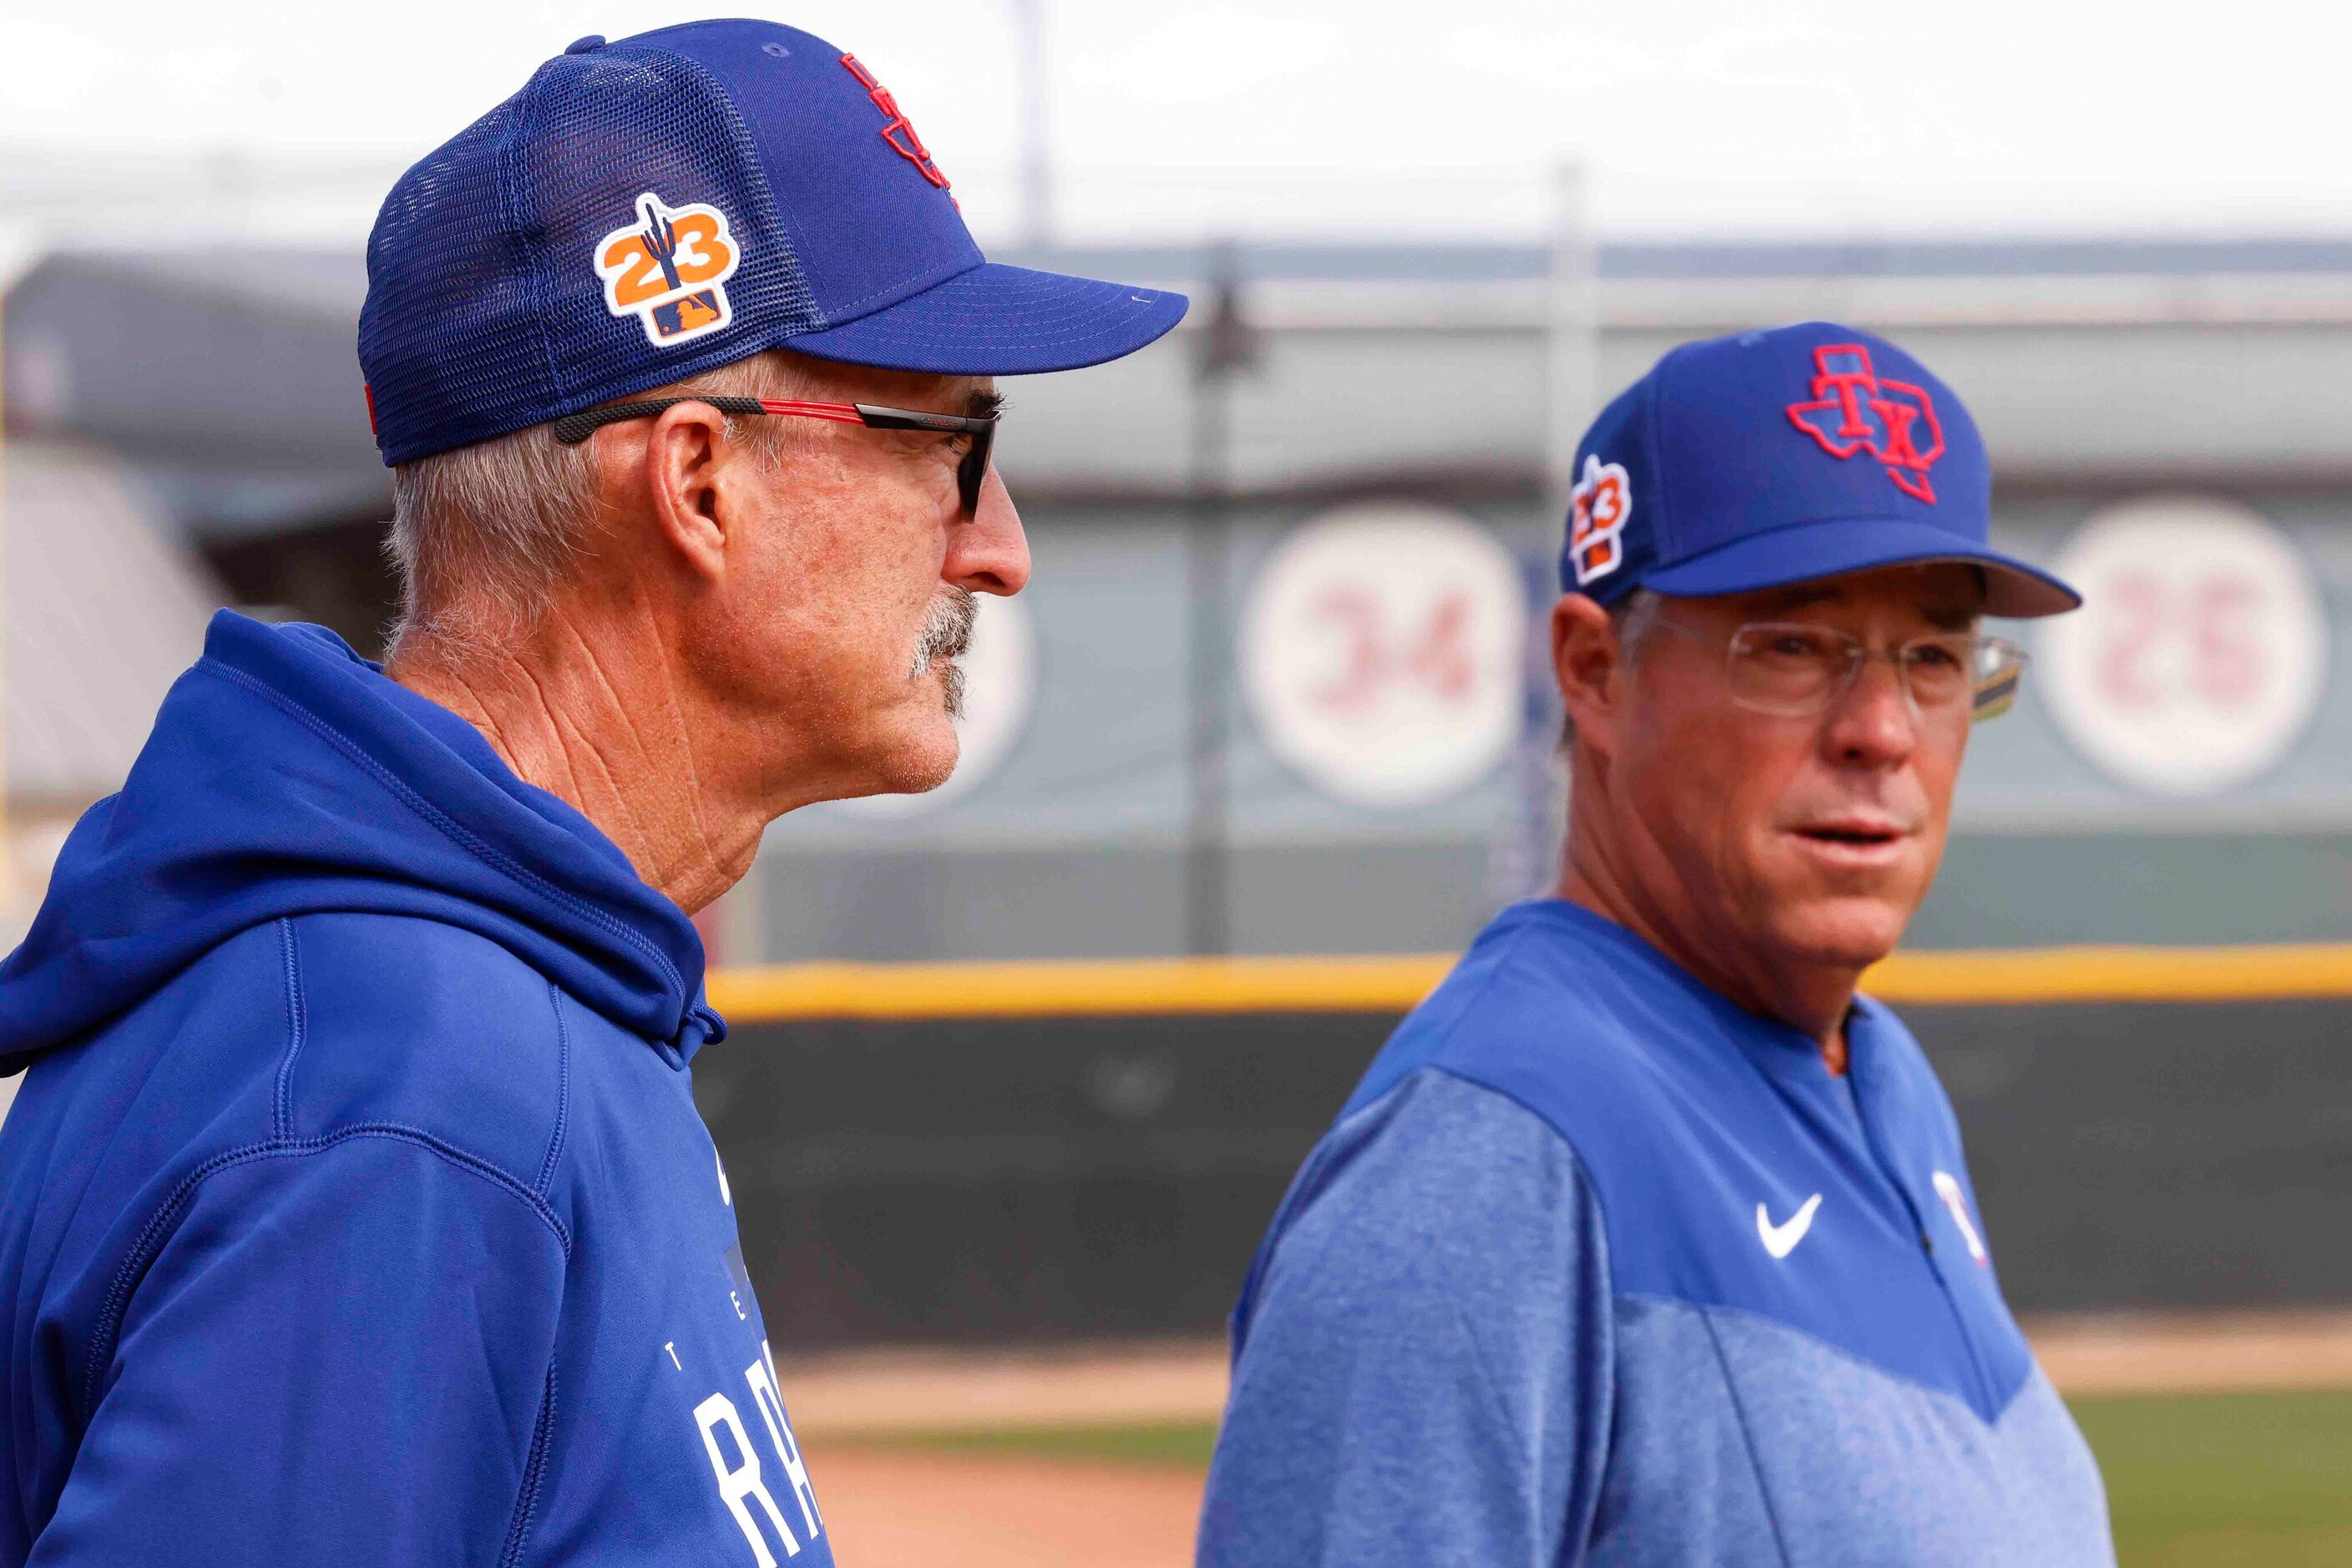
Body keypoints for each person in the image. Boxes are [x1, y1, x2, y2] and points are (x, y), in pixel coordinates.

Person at [0, 20, 1183, 1566]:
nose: (997, 545)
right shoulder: (401, 1100)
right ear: (699, 483)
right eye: (954, 445)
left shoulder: (489, 1009)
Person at [1198, 323, 2115, 1565]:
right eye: (1791, 646)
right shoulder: (1494, 1159)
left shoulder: (1878, 1079)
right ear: (1591, 672)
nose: (1880, 730)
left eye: (1933, 657)